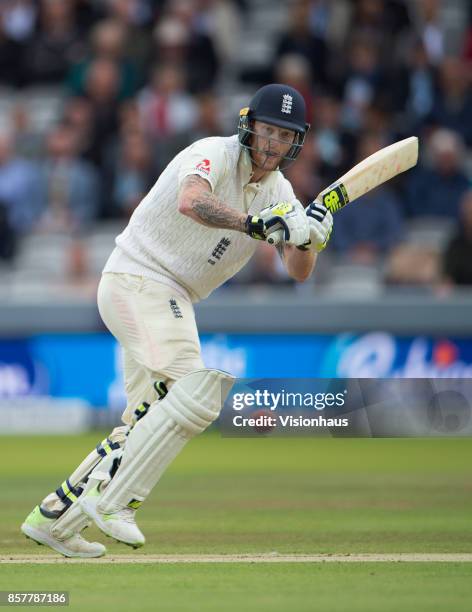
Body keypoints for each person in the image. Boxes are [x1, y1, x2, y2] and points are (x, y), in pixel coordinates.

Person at [21, 83, 333, 557]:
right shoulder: (213, 154)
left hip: (174, 297)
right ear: (249, 126)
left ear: (297, 141)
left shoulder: (281, 191)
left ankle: (53, 518)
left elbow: (298, 270)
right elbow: (192, 202)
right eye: (268, 130)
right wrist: (255, 224)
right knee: (195, 391)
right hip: (137, 279)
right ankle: (116, 503)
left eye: (284, 135)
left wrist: (310, 238)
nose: (273, 144)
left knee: (143, 422)